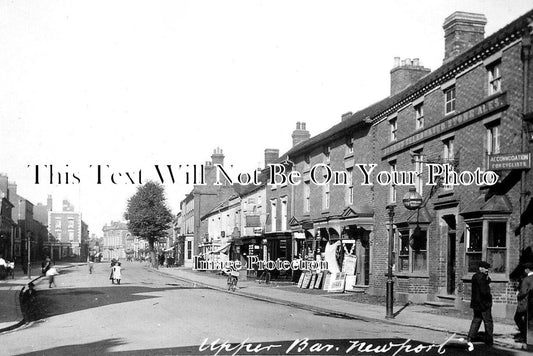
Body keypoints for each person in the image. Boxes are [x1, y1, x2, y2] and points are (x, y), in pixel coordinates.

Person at [467, 261, 493, 346]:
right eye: (485, 268)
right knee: (488, 321)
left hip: (476, 303)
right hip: (484, 303)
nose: (487, 270)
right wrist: (489, 299)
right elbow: (484, 291)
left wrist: (487, 278)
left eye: (487, 269)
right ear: (480, 268)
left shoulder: (475, 276)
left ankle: (471, 337)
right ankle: (489, 339)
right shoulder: (481, 278)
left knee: (477, 319)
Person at [514, 262, 533, 342]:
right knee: (528, 320)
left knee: (517, 318)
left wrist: (518, 295)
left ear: (527, 270)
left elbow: (523, 292)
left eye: (525, 269)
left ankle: (524, 335)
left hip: (526, 302)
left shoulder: (526, 279)